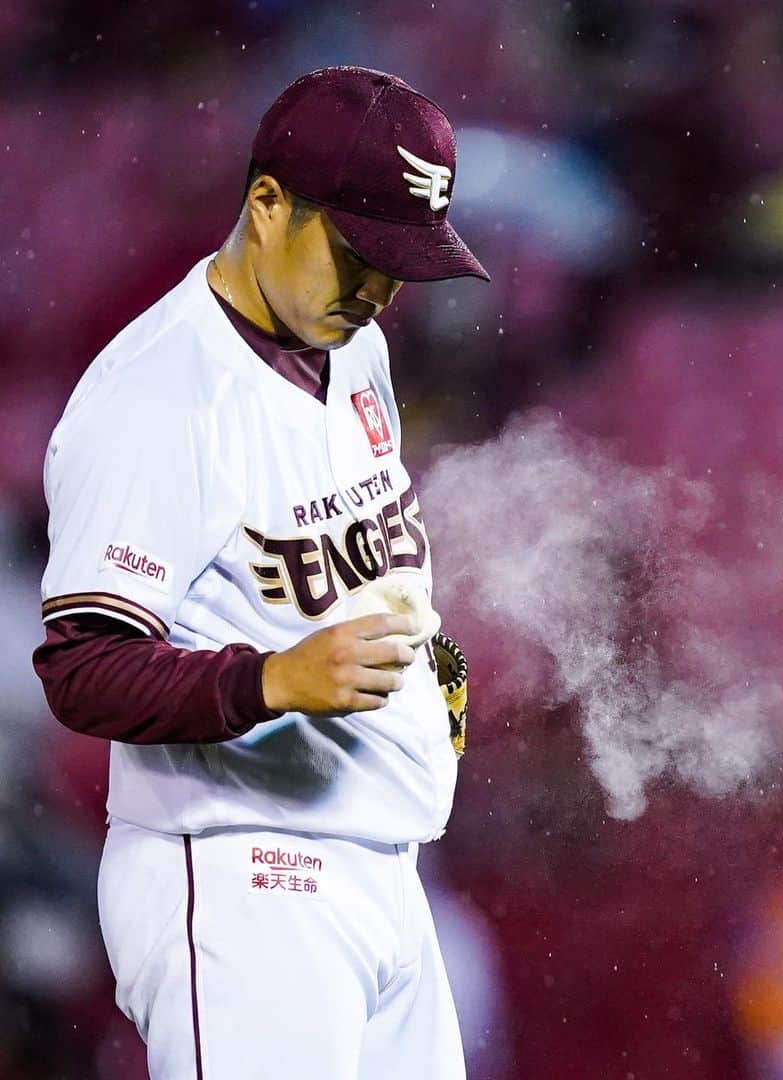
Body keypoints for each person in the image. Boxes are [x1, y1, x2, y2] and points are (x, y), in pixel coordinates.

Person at [32, 65, 487, 1079]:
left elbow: (332, 556)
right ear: (268, 203)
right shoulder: (157, 398)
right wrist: (271, 680)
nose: (378, 289)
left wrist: (419, 679)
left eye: (401, 263)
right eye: (360, 252)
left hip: (385, 874)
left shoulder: (351, 344)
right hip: (247, 879)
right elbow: (80, 667)